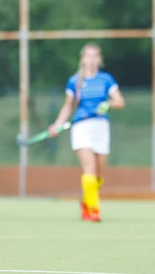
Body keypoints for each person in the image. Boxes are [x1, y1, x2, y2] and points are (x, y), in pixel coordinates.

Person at [49, 43, 125, 222]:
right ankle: (93, 210)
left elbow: (120, 102)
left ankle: (86, 201)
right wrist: (57, 124)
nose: (91, 60)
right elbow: (68, 106)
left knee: (98, 176)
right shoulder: (75, 81)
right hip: (81, 126)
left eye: (94, 57)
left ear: (100, 60)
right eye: (88, 57)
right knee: (89, 168)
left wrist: (109, 104)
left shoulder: (106, 79)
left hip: (100, 127)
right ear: (82, 59)